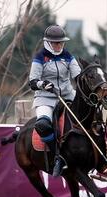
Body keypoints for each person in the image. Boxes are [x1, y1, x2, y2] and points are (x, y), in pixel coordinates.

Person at [28, 25, 81, 177]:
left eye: (61, 43)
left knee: (88, 110)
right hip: (45, 97)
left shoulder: (68, 56)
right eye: (55, 43)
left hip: (67, 94)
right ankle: (58, 156)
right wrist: (43, 84)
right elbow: (32, 82)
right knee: (43, 125)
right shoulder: (40, 57)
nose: (59, 46)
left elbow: (77, 76)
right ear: (48, 43)